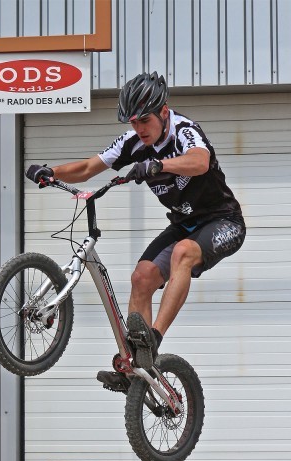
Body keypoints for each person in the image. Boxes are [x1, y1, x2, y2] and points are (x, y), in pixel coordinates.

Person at [25, 71, 246, 393]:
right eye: (133, 122)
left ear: (163, 112)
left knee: (183, 252)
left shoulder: (184, 131)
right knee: (141, 277)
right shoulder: (131, 143)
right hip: (184, 224)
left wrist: (160, 165)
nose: (139, 128)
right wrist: (50, 171)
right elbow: (89, 168)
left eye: (145, 120)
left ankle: (153, 339)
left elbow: (200, 162)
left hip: (224, 222)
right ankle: (135, 365)